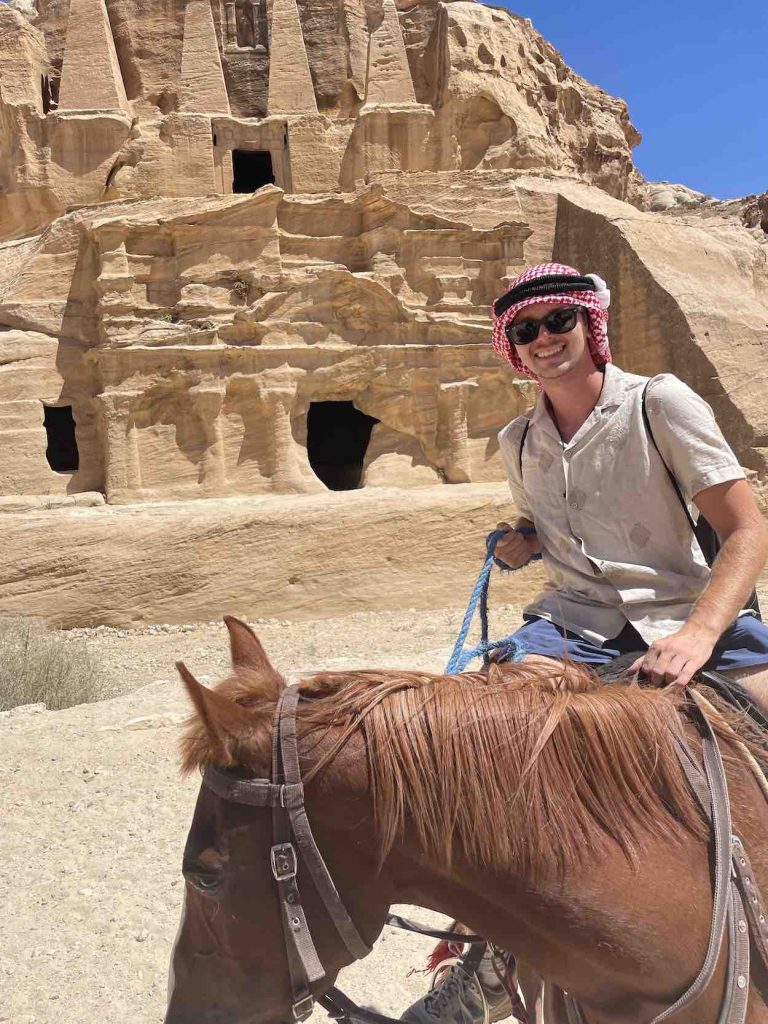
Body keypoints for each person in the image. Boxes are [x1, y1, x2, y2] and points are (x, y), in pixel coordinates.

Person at [400, 261, 768, 1024]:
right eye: (525, 331)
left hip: (682, 611)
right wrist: (523, 542)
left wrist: (700, 634)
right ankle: (491, 958)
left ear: (590, 326)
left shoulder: (656, 403)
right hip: (576, 622)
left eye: (559, 321)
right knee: (485, 748)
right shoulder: (519, 439)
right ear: (512, 347)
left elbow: (748, 529)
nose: (544, 341)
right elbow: (553, 528)